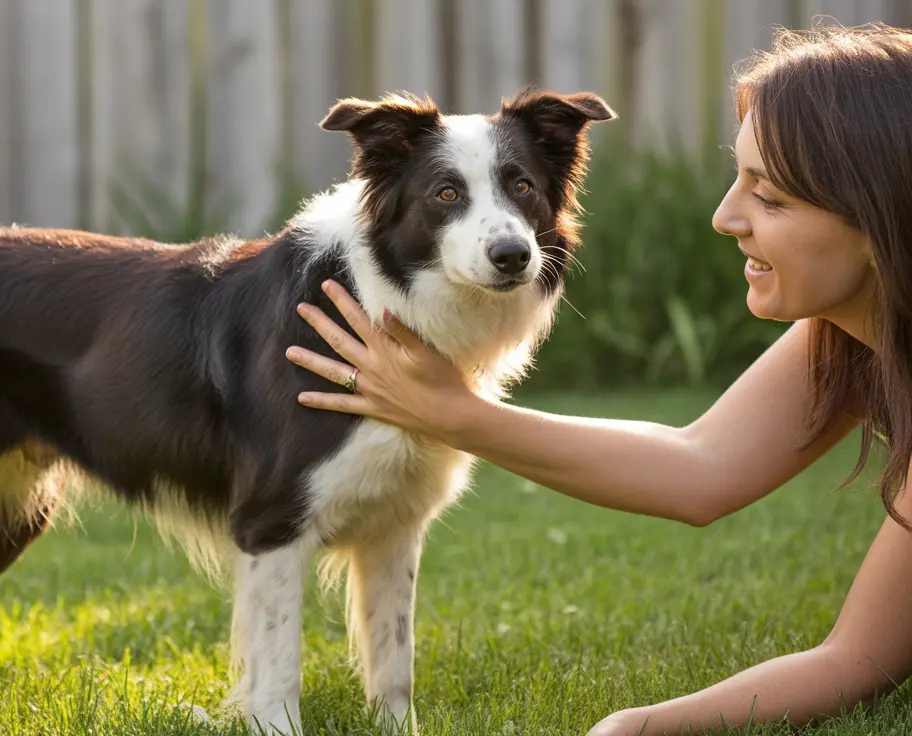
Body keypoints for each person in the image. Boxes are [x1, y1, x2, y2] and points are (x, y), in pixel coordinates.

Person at [284, 22, 912, 736]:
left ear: (880, 216)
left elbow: (859, 659)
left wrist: (629, 729)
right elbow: (701, 467)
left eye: (769, 197)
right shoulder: (851, 336)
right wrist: (452, 411)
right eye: (735, 178)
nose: (723, 217)